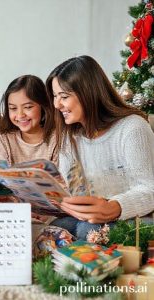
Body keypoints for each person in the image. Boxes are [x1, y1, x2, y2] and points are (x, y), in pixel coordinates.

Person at [45, 55, 154, 240]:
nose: (56, 105)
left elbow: (150, 189)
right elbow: (70, 191)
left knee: (86, 231)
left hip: (135, 217)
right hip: (90, 218)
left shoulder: (132, 128)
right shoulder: (70, 136)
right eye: (55, 97)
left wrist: (115, 207)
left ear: (88, 93)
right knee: (52, 230)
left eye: (63, 97)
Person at [0, 75, 57, 165]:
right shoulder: (3, 140)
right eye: (13, 108)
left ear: (43, 106)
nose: (20, 115)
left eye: (28, 107)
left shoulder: (58, 139)